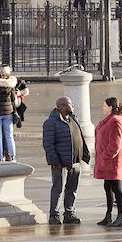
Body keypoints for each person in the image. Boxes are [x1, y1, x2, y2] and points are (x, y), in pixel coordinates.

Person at [43, 96, 89, 224]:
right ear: (62, 106)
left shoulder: (73, 119)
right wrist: (55, 162)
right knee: (58, 189)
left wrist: (84, 154)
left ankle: (69, 213)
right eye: (70, 104)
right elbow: (48, 145)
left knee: (72, 189)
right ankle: (54, 215)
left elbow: (80, 137)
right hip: (60, 163)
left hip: (75, 162)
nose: (72, 105)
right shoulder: (51, 122)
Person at [95, 97, 122, 228]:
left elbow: (115, 143)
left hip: (112, 162)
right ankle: (108, 215)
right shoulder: (108, 120)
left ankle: (120, 216)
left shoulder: (115, 121)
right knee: (107, 187)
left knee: (116, 189)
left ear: (110, 107)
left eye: (104, 105)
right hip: (106, 161)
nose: (103, 107)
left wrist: (105, 156)